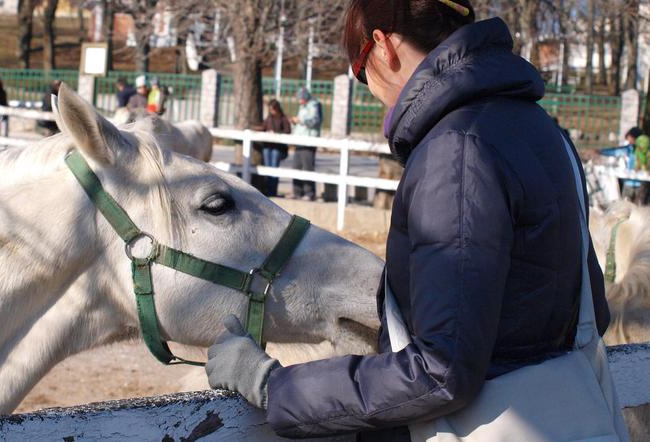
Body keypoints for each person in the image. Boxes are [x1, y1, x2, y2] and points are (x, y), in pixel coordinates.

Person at [205, 1, 625, 441]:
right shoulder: (544, 130)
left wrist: (275, 386)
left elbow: (441, 370)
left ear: (383, 46)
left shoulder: (457, 151)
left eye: (358, 68)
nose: (368, 86)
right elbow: (590, 310)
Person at [289, 87, 322, 200]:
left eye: (301, 98)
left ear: (305, 97)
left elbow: (315, 121)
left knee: (308, 167)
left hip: (309, 141)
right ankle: (297, 192)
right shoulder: (302, 107)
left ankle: (309, 193)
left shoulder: (314, 105)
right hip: (299, 141)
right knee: (296, 167)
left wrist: (300, 121)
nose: (299, 101)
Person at [600, 127, 644, 203]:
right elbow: (616, 152)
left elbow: (617, 152)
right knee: (626, 206)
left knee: (637, 209)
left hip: (641, 184)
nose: (629, 141)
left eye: (630, 139)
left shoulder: (642, 150)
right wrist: (601, 152)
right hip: (629, 182)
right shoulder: (630, 149)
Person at [258, 99, 292, 197]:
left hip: (277, 148)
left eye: (273, 109)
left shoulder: (283, 119)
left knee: (274, 168)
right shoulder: (269, 118)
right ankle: (267, 190)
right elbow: (263, 127)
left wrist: (276, 133)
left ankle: (273, 191)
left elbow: (287, 131)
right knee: (267, 168)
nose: (272, 111)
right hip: (268, 146)